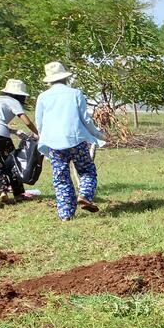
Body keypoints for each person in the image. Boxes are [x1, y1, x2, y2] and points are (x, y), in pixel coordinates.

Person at [35, 61, 105, 220]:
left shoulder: (43, 97)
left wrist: (43, 139)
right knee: (87, 170)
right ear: (65, 78)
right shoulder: (75, 93)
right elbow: (86, 119)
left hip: (53, 144)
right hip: (76, 140)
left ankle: (65, 214)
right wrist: (98, 135)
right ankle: (85, 195)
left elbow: (40, 122)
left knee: (61, 178)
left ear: (49, 81)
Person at [0, 79, 39, 205]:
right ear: (19, 95)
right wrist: (38, 133)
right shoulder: (14, 102)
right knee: (13, 163)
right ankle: (19, 195)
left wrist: (13, 131)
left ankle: (2, 191)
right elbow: (27, 121)